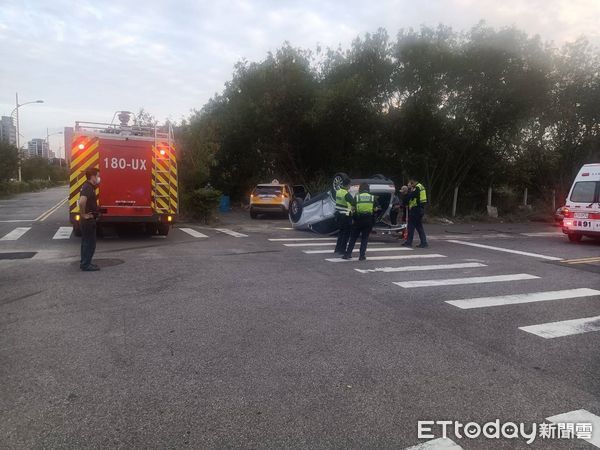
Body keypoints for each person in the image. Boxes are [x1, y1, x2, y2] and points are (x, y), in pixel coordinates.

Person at [344, 183, 375, 261]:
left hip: (358, 219)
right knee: (364, 238)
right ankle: (362, 256)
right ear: (368, 189)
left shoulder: (357, 197)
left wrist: (353, 217)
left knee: (353, 238)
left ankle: (348, 254)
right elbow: (377, 208)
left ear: (360, 189)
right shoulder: (372, 197)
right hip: (368, 219)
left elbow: (353, 208)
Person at [79, 168, 101, 271]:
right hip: (88, 221)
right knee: (89, 243)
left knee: (86, 242)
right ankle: (86, 264)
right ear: (92, 176)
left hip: (87, 221)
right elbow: (82, 202)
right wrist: (83, 215)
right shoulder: (88, 187)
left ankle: (85, 262)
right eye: (97, 176)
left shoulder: (88, 187)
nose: (98, 178)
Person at [402, 178, 428, 248]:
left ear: (412, 183)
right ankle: (424, 242)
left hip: (416, 210)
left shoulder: (417, 188)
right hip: (420, 209)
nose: (408, 185)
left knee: (411, 226)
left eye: (409, 184)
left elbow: (410, 196)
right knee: (419, 227)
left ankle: (409, 242)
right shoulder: (420, 187)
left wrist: (405, 194)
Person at [334, 178, 354, 256]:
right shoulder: (346, 194)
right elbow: (353, 203)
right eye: (350, 185)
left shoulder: (338, 191)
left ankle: (337, 249)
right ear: (348, 185)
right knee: (346, 234)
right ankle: (342, 250)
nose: (350, 186)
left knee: (341, 233)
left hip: (338, 215)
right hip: (345, 216)